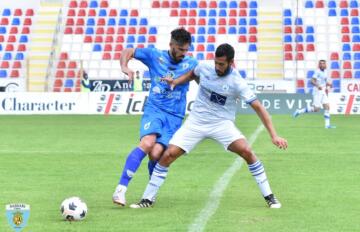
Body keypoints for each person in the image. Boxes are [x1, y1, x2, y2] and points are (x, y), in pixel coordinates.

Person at [130, 44, 288, 209]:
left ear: (231, 63)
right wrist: (176, 82)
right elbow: (192, 74)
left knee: (247, 151)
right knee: (168, 155)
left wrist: (274, 136)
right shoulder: (205, 67)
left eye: (221, 64)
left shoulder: (237, 82)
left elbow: (259, 108)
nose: (217, 67)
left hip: (222, 124)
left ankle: (269, 196)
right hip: (196, 122)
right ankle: (147, 199)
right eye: (216, 63)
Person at [112, 28, 198, 206]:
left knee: (156, 154)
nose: (183, 53)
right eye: (180, 49)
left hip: (175, 116)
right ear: (171, 45)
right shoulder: (154, 55)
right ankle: (120, 190)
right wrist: (125, 67)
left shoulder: (191, 63)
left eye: (186, 50)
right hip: (154, 109)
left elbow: (204, 81)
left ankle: (150, 194)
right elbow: (128, 51)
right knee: (147, 143)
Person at [293, 60, 336, 129]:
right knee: (316, 109)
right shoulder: (317, 72)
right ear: (319, 65)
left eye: (323, 63)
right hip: (317, 91)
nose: (322, 65)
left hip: (323, 91)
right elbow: (312, 81)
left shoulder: (325, 72)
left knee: (327, 106)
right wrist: (317, 85)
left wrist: (329, 84)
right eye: (321, 64)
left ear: (325, 65)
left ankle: (327, 125)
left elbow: (323, 82)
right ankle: (299, 111)